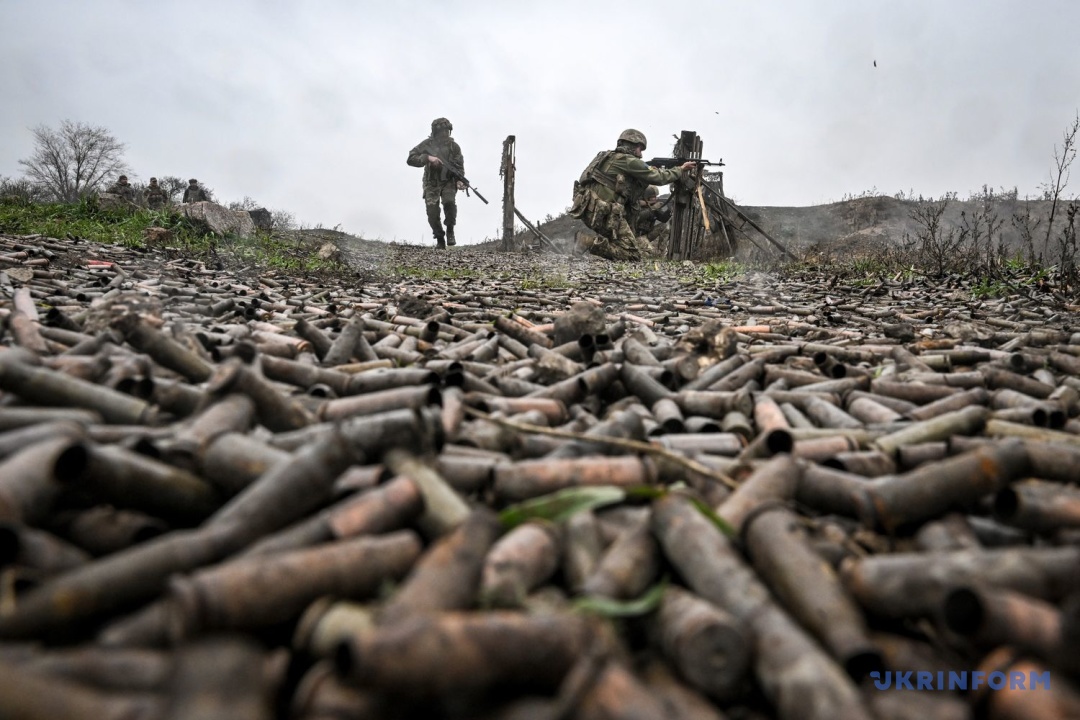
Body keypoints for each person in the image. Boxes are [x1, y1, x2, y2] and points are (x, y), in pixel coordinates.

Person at [570, 129, 694, 261]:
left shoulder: (605, 156)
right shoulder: (628, 160)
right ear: (632, 145)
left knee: (626, 244)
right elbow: (658, 178)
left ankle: (591, 244)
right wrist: (680, 169)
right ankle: (587, 241)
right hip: (604, 213)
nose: (640, 155)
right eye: (640, 149)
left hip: (589, 209)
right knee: (633, 255)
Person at [407, 117, 465, 249]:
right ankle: (439, 238)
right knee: (432, 211)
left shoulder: (454, 147)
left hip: (448, 181)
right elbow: (411, 158)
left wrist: (460, 181)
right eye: (441, 132)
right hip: (431, 182)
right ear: (435, 132)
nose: (444, 134)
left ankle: (450, 230)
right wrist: (427, 158)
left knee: (449, 203)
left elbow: (459, 167)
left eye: (446, 131)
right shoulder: (427, 144)